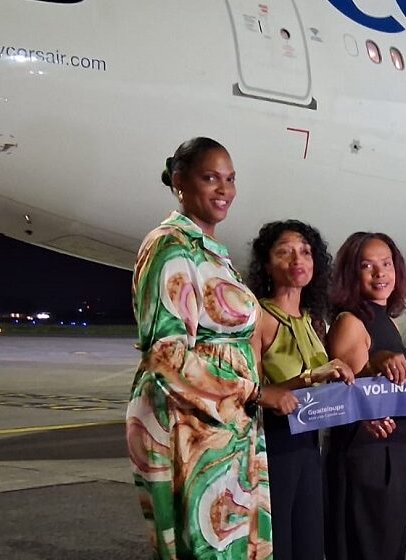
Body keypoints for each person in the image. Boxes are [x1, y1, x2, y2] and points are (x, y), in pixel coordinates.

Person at [126, 137, 297, 560]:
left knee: (236, 545)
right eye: (210, 178)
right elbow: (167, 358)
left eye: (230, 179)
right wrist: (255, 392)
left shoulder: (213, 254)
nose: (224, 190)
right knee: (209, 547)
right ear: (180, 182)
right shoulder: (170, 246)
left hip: (227, 425)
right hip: (192, 427)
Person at [246, 220, 355, 560]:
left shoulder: (312, 320)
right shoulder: (259, 316)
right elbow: (250, 390)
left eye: (305, 252)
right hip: (274, 447)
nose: (298, 260)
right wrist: (308, 378)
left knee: (310, 545)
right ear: (266, 264)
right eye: (285, 252)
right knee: (280, 546)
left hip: (309, 446)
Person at [323, 232, 406, 560]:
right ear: (351, 273)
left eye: (386, 264)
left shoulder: (383, 320)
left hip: (392, 452)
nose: (380, 273)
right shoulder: (352, 321)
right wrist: (374, 369)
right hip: (368, 456)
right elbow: (347, 391)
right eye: (367, 266)